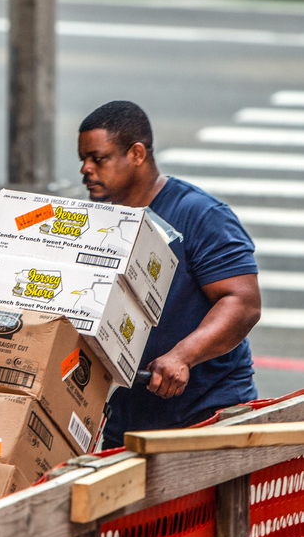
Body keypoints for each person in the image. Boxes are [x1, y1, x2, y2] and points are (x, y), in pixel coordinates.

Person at [77, 100, 261, 449]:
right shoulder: (98, 222)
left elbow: (243, 303)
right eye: (83, 159)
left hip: (206, 416)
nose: (85, 169)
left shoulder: (199, 214)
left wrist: (182, 356)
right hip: (129, 418)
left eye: (98, 158)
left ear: (136, 153)